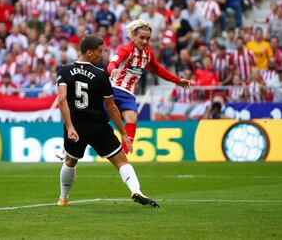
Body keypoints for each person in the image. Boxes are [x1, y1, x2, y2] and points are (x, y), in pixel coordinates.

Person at [57, 35, 159, 208]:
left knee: (70, 161)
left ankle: (63, 198)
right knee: (121, 161)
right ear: (88, 52)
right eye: (99, 51)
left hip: (76, 126)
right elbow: (111, 108)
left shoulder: (65, 70)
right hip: (98, 127)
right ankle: (136, 190)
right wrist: (124, 133)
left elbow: (61, 99)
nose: (102, 54)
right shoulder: (101, 74)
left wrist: (69, 127)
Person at [107, 19, 190, 154]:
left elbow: (159, 70)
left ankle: (123, 154)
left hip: (128, 94)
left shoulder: (148, 54)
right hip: (113, 90)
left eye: (148, 38)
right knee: (98, 122)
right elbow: (112, 63)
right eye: (142, 38)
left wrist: (177, 80)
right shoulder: (125, 49)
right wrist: (113, 70)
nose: (145, 41)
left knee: (132, 117)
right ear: (134, 36)